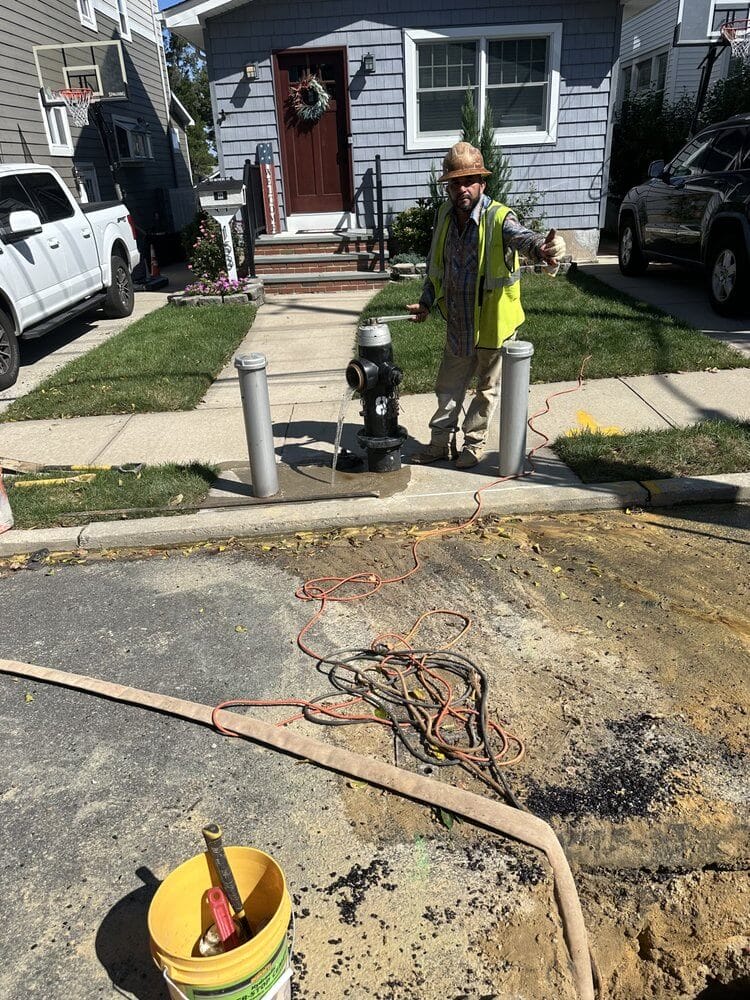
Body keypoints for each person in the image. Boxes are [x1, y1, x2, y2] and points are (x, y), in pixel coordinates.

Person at [406, 141, 566, 468]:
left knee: (485, 391)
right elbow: (436, 266)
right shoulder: (445, 217)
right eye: (455, 182)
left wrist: (545, 248)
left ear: (482, 183)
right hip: (458, 324)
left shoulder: (499, 218)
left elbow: (525, 238)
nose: (462, 188)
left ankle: (473, 446)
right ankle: (439, 446)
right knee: (447, 390)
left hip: (494, 327)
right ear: (448, 187)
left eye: (469, 181)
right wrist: (425, 302)